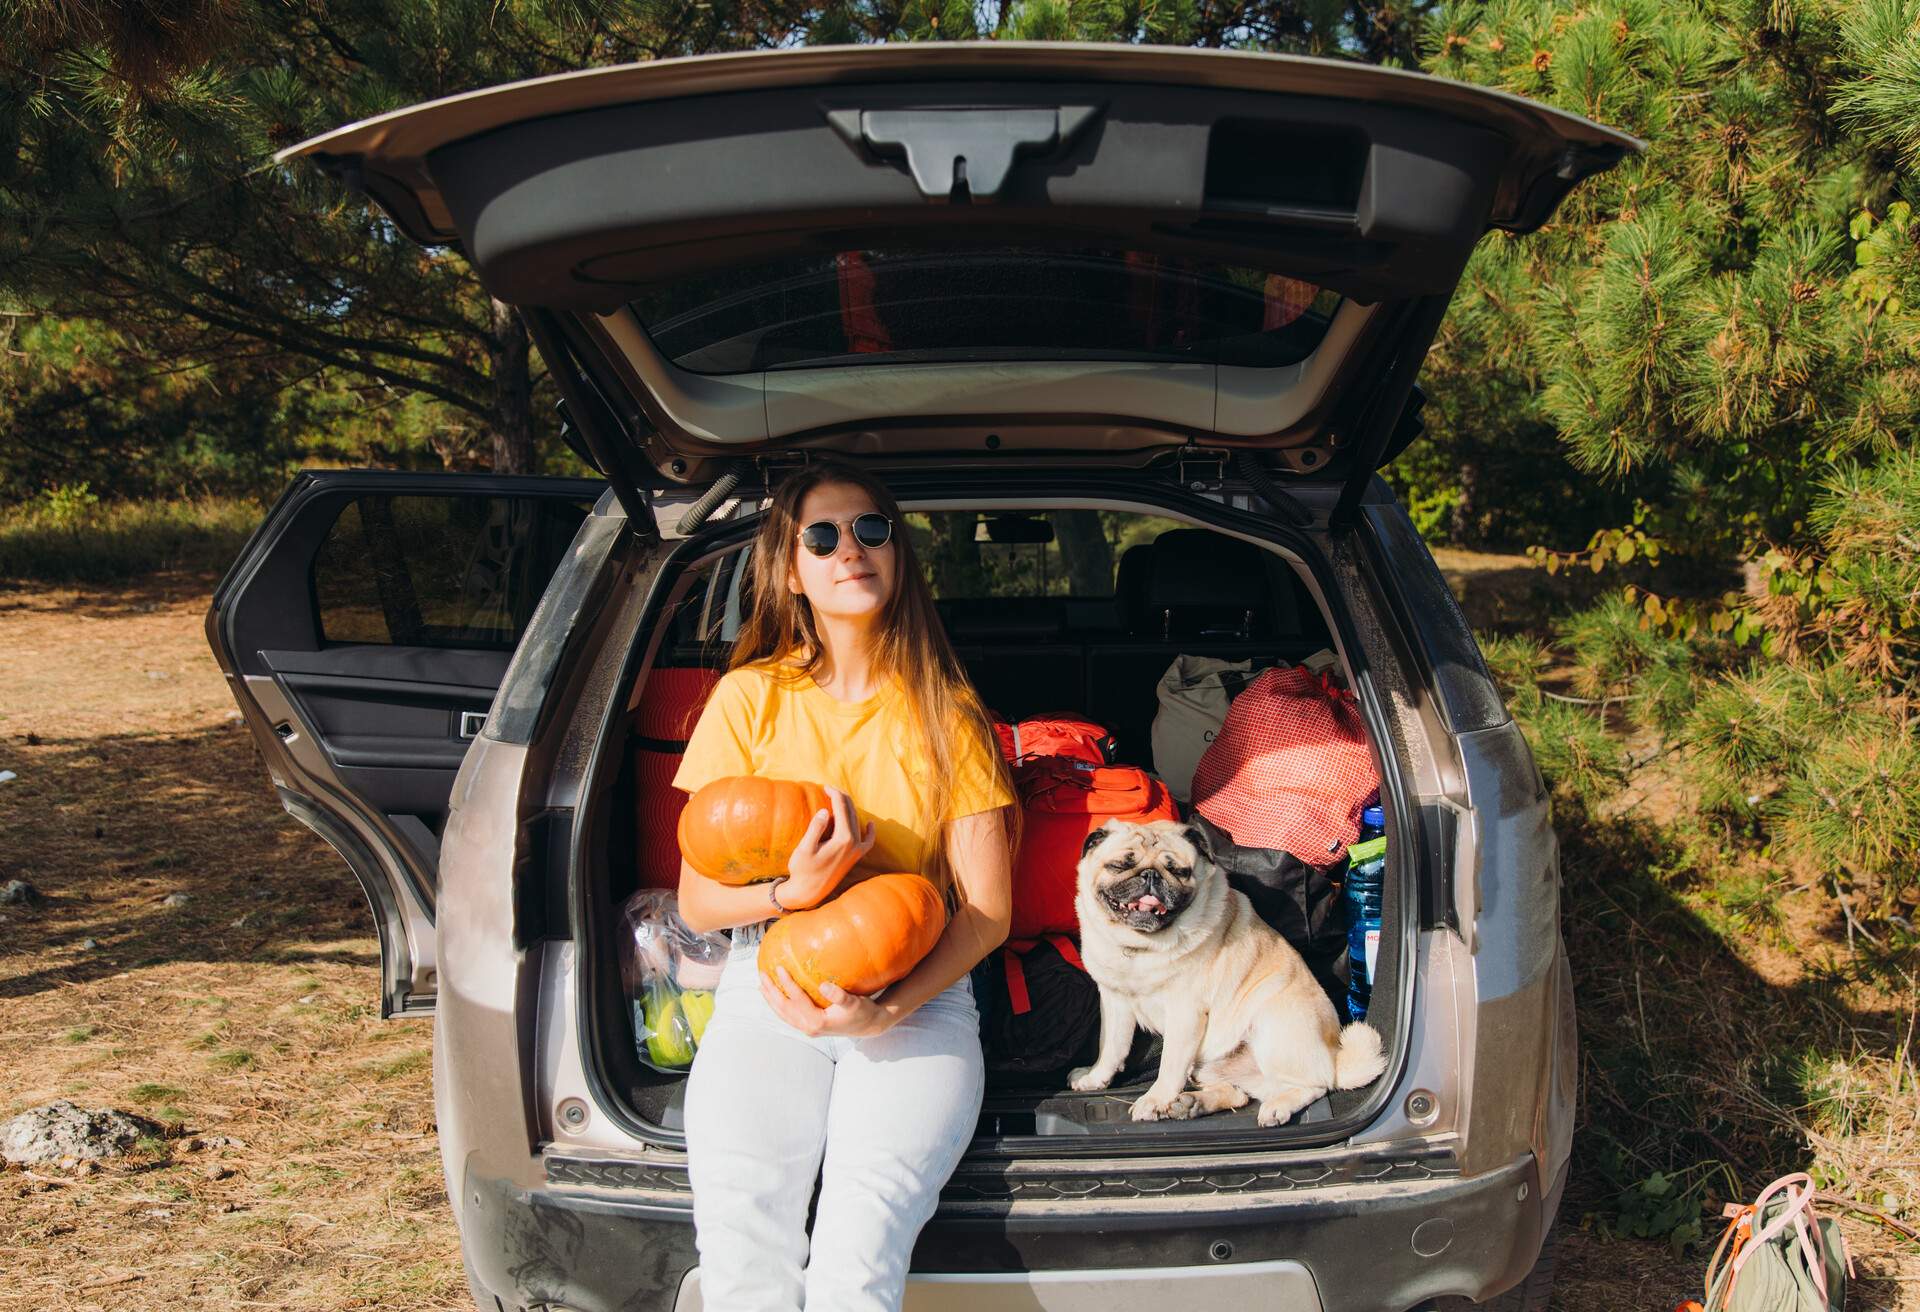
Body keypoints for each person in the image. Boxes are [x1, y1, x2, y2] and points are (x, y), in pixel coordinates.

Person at [671, 459, 1016, 1312]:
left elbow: (988, 913)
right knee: (743, 1247)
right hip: (770, 988)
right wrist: (791, 893)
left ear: (896, 553)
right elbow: (697, 902)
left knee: (856, 1259)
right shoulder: (748, 700)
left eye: (870, 529)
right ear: (791, 572)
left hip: (919, 996)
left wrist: (886, 1012)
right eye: (820, 537)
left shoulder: (946, 713)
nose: (848, 550)